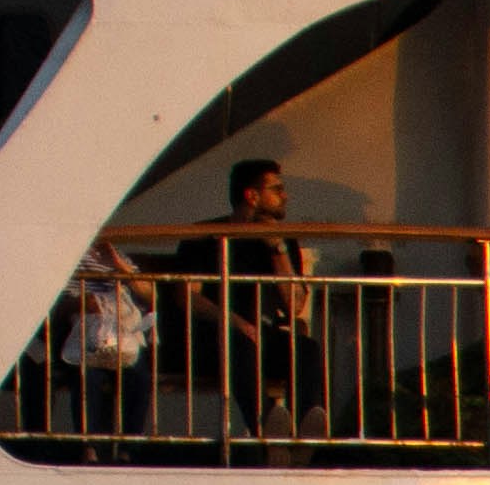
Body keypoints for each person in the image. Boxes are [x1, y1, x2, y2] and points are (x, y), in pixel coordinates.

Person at [172, 158, 327, 437]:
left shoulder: (281, 241)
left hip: (260, 335)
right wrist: (235, 322)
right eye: (277, 189)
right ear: (251, 195)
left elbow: (294, 305)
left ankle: (305, 433)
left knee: (306, 349)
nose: (285, 195)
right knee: (240, 344)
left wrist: (277, 249)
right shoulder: (203, 236)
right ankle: (267, 428)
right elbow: (188, 297)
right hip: (211, 339)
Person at [42, 230, 160, 450]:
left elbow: (151, 295)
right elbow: (55, 302)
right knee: (89, 378)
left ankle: (129, 449)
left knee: (139, 377)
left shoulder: (116, 254)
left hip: (120, 333)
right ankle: (89, 447)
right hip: (83, 332)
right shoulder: (66, 256)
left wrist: (119, 266)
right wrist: (81, 304)